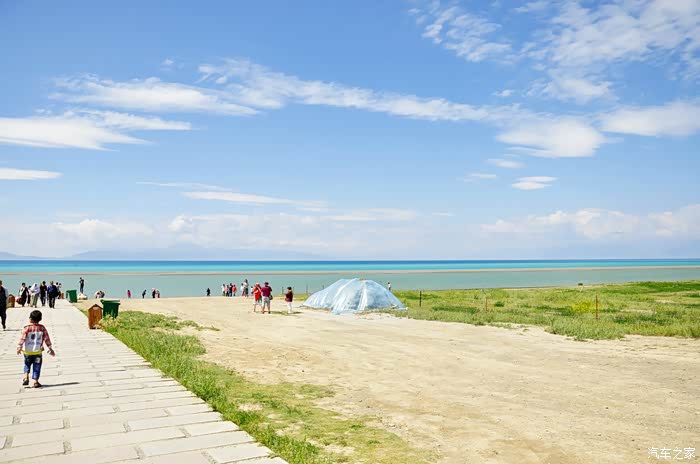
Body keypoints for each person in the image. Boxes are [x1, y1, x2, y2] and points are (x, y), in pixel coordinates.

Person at [17, 310, 55, 388]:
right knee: (37, 366)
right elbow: (47, 339)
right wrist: (50, 348)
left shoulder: (27, 328)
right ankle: (36, 381)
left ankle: (26, 377)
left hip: (27, 352)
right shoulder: (42, 328)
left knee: (27, 364)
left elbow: (22, 338)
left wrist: (19, 347)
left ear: (31, 319)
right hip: (38, 352)